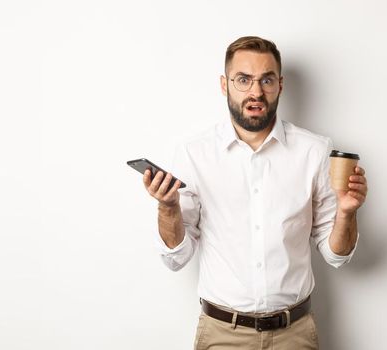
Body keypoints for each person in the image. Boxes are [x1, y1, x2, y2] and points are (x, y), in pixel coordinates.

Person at [141, 36, 368, 349]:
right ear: (225, 84)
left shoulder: (315, 151)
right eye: (243, 80)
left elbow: (336, 256)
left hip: (295, 335)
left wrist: (347, 212)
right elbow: (176, 258)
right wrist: (168, 208)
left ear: (280, 85)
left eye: (266, 80)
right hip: (222, 335)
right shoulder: (194, 154)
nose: (256, 92)